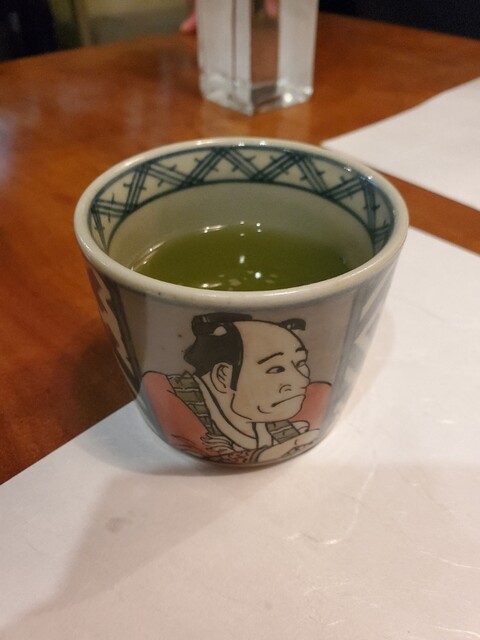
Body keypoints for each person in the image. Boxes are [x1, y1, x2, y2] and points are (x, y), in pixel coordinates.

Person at [142, 312, 331, 464]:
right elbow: (197, 445)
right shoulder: (166, 391)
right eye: (276, 369)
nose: (302, 380)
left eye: (300, 363)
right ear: (223, 375)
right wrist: (286, 446)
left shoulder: (311, 397)